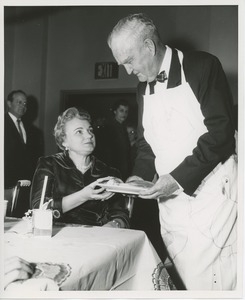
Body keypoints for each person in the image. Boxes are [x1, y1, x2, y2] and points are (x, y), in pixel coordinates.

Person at [108, 13, 237, 290]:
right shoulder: (142, 87)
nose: (128, 71)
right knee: (177, 278)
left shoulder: (203, 66)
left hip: (212, 200)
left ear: (150, 47)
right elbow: (146, 144)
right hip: (170, 207)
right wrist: (137, 179)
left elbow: (221, 134)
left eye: (129, 61)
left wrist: (175, 179)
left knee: (212, 282)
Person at [30, 107, 130, 228]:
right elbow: (39, 208)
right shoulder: (49, 165)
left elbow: (121, 214)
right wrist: (83, 195)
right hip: (55, 235)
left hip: (97, 238)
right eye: (79, 131)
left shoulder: (109, 172)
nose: (89, 136)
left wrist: (113, 225)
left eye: (90, 130)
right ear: (64, 142)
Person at [4, 90, 38, 217]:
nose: (23, 106)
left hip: (24, 186)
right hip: (6, 185)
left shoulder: (30, 129)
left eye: (25, 103)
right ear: (9, 103)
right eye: (19, 102)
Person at [104, 99, 131, 181]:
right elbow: (107, 153)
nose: (124, 114)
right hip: (113, 170)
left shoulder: (122, 127)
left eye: (126, 111)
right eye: (121, 111)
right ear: (115, 111)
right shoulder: (108, 128)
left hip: (123, 169)